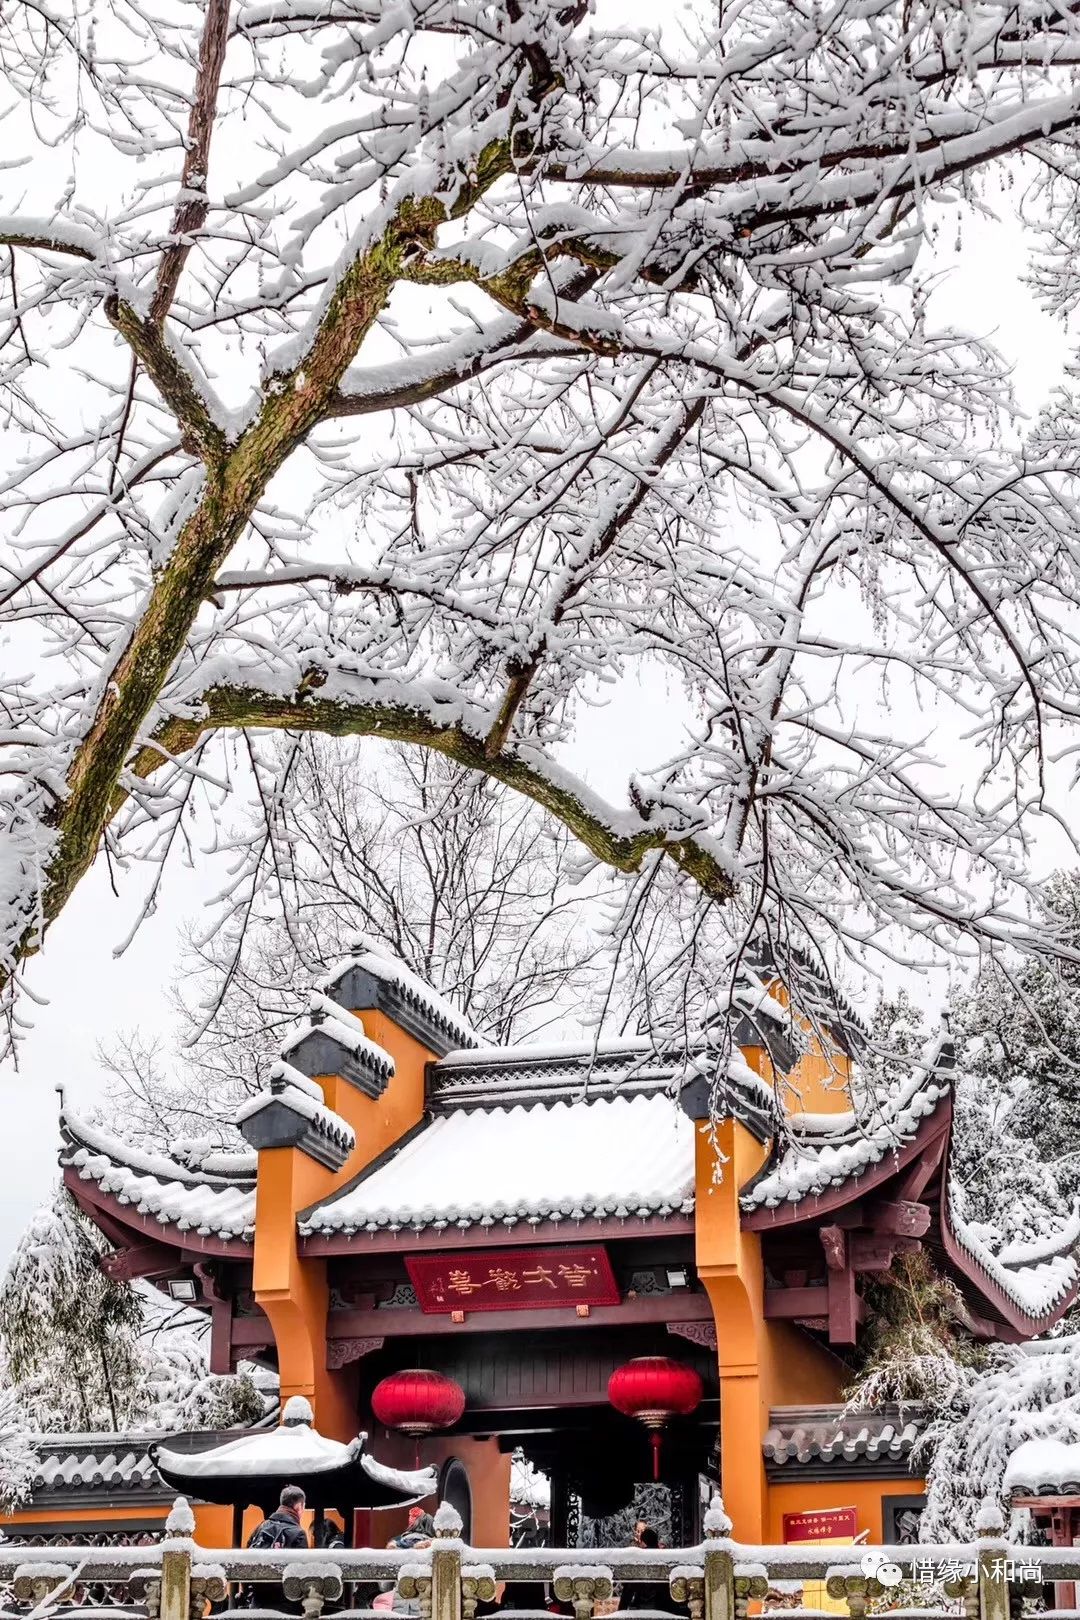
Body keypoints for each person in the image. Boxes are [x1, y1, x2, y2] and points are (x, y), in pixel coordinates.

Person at [246, 1485, 310, 1551]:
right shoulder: (299, 1534)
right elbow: (301, 1557)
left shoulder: (261, 1526)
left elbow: (248, 1549)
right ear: (299, 1506)